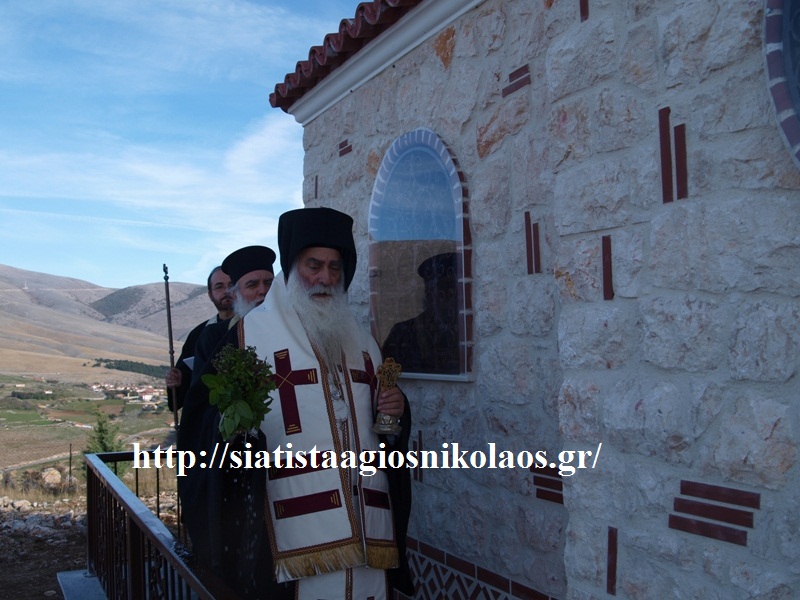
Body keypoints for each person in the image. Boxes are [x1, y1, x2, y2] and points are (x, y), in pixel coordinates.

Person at [178, 207, 413, 600]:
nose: (325, 278)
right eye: (313, 265)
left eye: (335, 267)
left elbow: (384, 423)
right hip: (289, 532)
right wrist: (234, 431)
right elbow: (202, 422)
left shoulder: (361, 341)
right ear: (291, 268)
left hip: (369, 523)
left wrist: (397, 410)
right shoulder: (248, 337)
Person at [190, 245, 276, 384]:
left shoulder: (297, 327)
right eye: (252, 285)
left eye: (269, 283)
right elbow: (201, 394)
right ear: (235, 294)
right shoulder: (213, 337)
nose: (263, 290)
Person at [165, 266, 233, 412]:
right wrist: (177, 380)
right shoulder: (198, 334)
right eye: (219, 287)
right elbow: (182, 388)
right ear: (210, 295)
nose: (226, 291)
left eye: (231, 285)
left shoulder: (252, 325)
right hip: (209, 415)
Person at [382, 252, 461, 374]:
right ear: (429, 294)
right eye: (440, 289)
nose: (447, 297)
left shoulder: (462, 332)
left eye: (451, 289)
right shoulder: (401, 334)